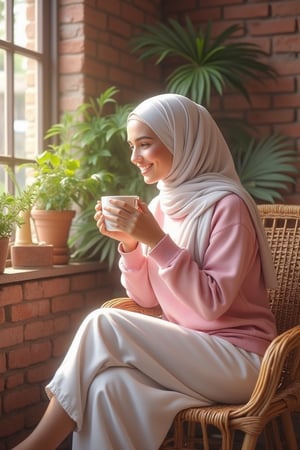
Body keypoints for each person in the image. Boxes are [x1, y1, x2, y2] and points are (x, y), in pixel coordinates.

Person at [13, 94, 277, 450]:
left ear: (182, 141)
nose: (135, 158)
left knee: (102, 322)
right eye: (132, 146)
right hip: (182, 351)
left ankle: (37, 445)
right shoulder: (158, 206)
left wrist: (156, 239)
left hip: (240, 362)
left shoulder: (228, 206)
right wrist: (132, 245)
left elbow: (211, 304)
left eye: (145, 144)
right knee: (109, 388)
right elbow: (146, 299)